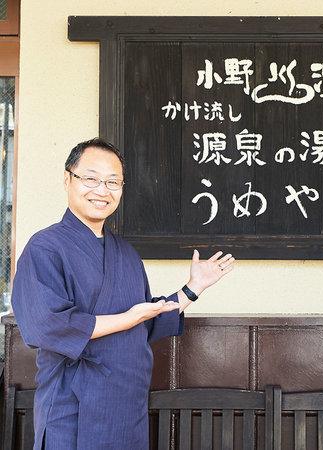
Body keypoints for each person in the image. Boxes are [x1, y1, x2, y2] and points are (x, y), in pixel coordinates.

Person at [11, 138, 235, 449]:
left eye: (113, 182)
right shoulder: (45, 248)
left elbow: (144, 321)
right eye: (90, 178)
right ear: (67, 179)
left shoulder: (126, 254)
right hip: (73, 408)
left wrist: (193, 288)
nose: (102, 190)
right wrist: (127, 318)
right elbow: (47, 325)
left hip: (127, 410)